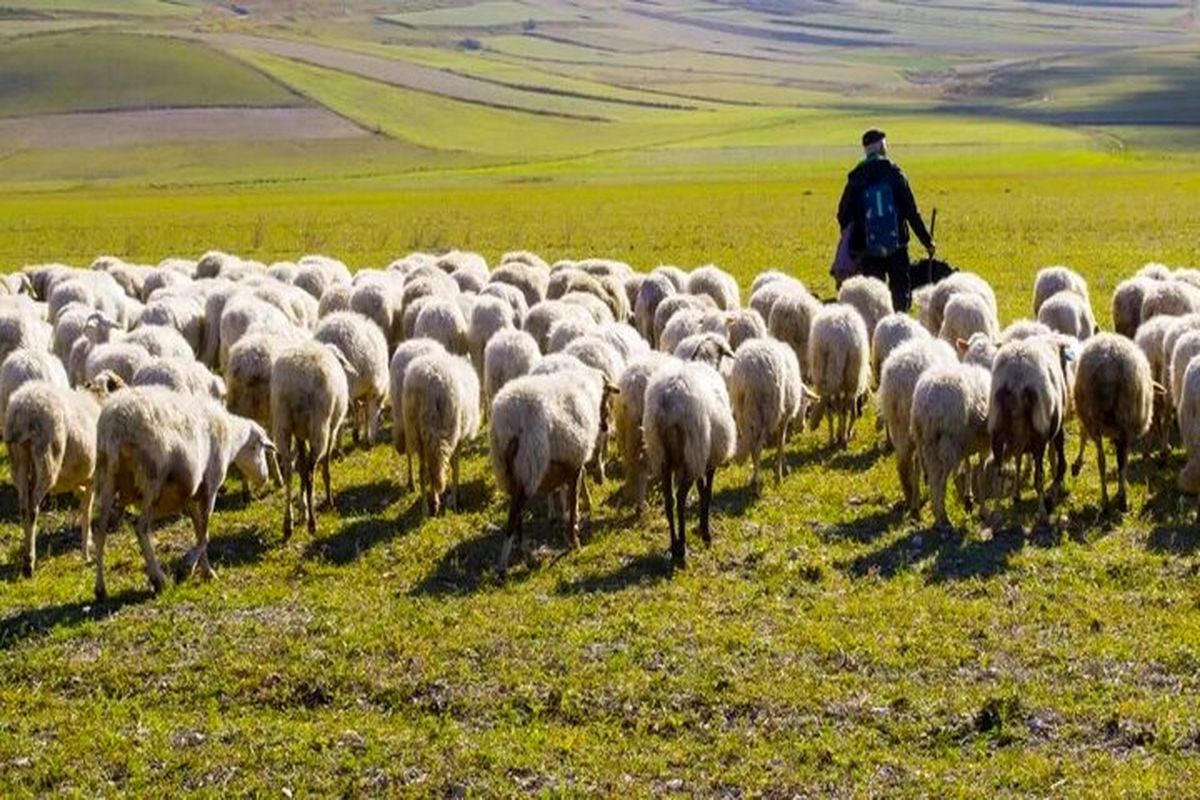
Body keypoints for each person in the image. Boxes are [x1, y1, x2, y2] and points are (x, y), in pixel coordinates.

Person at [837, 129, 935, 312]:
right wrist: (927, 241)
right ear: (882, 147)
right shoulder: (895, 174)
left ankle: (878, 332)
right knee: (900, 293)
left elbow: (843, 215)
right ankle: (900, 328)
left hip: (868, 250)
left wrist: (854, 240)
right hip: (896, 245)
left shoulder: (856, 178)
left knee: (874, 297)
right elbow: (911, 212)